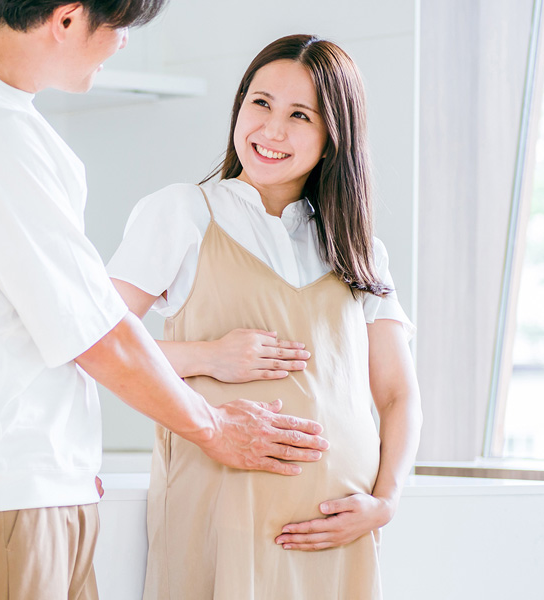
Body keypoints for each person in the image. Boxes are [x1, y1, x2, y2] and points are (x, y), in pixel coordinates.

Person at [0, 4, 333, 599]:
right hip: (2, 491)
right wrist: (212, 425)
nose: (124, 44)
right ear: (67, 18)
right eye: (121, 27)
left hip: (15, 485)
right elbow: (95, 330)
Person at [106, 34, 423, 599]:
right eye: (260, 103)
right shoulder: (182, 212)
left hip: (335, 530)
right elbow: (99, 343)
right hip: (221, 514)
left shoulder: (359, 248)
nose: (272, 130)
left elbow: (398, 394)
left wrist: (385, 503)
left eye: (300, 115)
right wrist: (208, 358)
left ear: (333, 138)